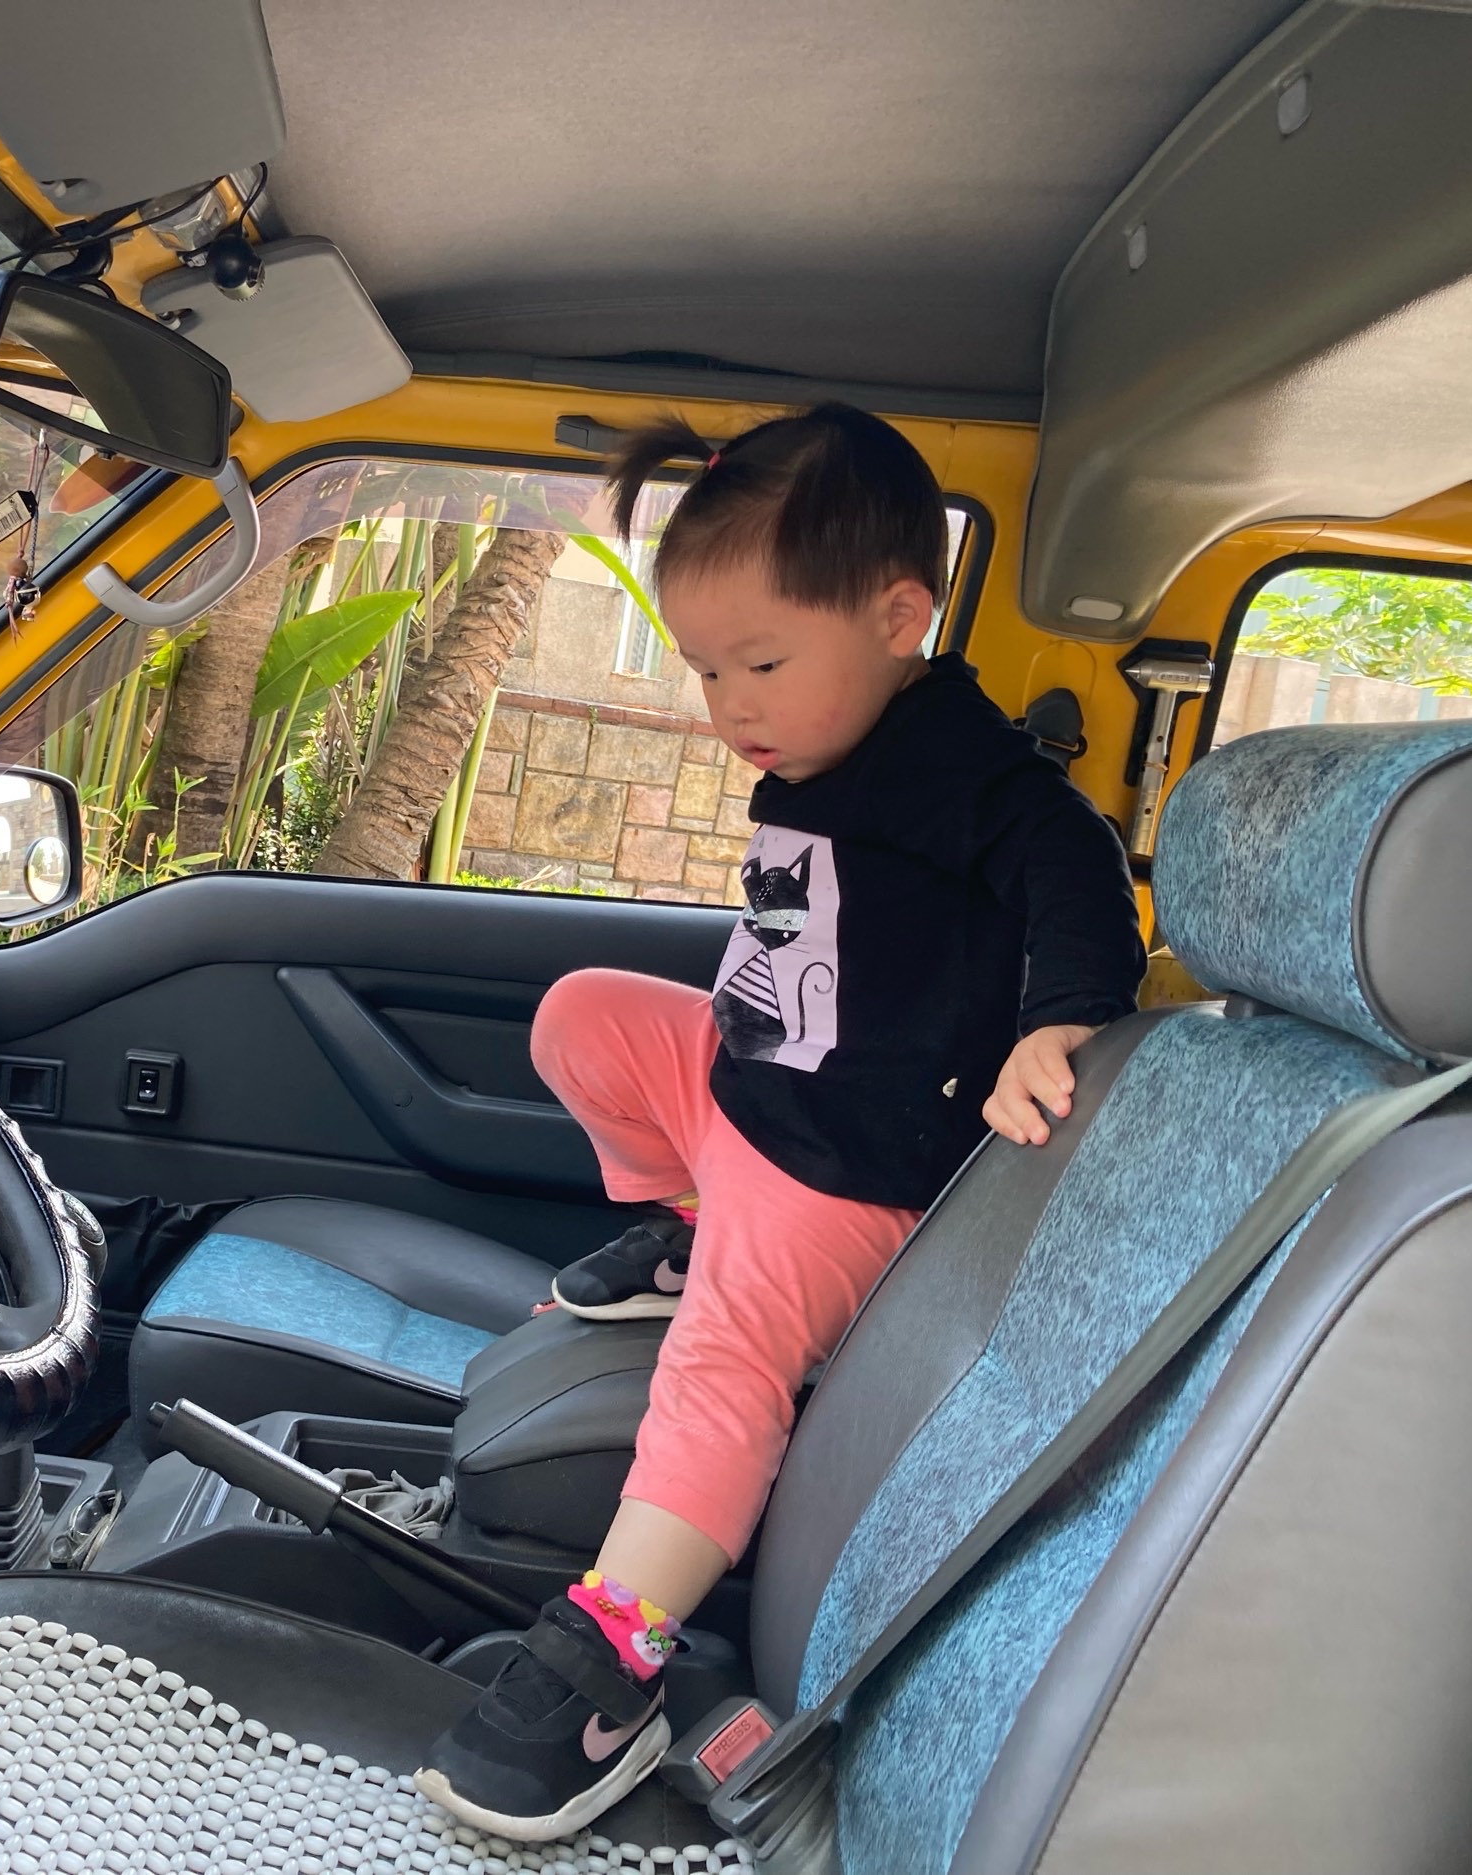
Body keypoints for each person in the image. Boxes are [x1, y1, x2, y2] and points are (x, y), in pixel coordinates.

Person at [414, 404, 1148, 1840]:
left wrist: (1061, 1020)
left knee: (721, 1370)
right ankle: (687, 1226)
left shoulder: (958, 765)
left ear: (899, 618)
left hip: (841, 1175)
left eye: (760, 664)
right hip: (751, 1103)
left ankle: (613, 1656)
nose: (728, 704)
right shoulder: (833, 746)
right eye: (704, 669)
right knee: (581, 1017)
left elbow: (1075, 867)